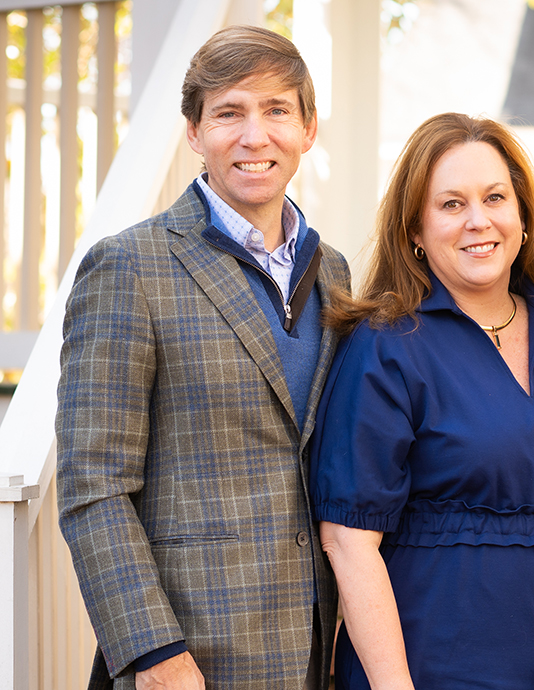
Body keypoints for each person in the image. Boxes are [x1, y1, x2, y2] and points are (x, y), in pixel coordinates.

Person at [56, 25, 348, 689]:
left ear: (307, 129)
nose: (255, 135)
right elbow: (92, 485)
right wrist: (152, 653)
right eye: (229, 113)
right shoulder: (129, 267)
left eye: (276, 110)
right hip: (190, 659)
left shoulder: (332, 272)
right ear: (194, 131)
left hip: (313, 653)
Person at [310, 112, 534, 689]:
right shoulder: (387, 344)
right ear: (415, 230)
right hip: (430, 661)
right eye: (451, 204)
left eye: (495, 197)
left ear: (521, 215)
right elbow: (347, 540)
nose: (479, 221)